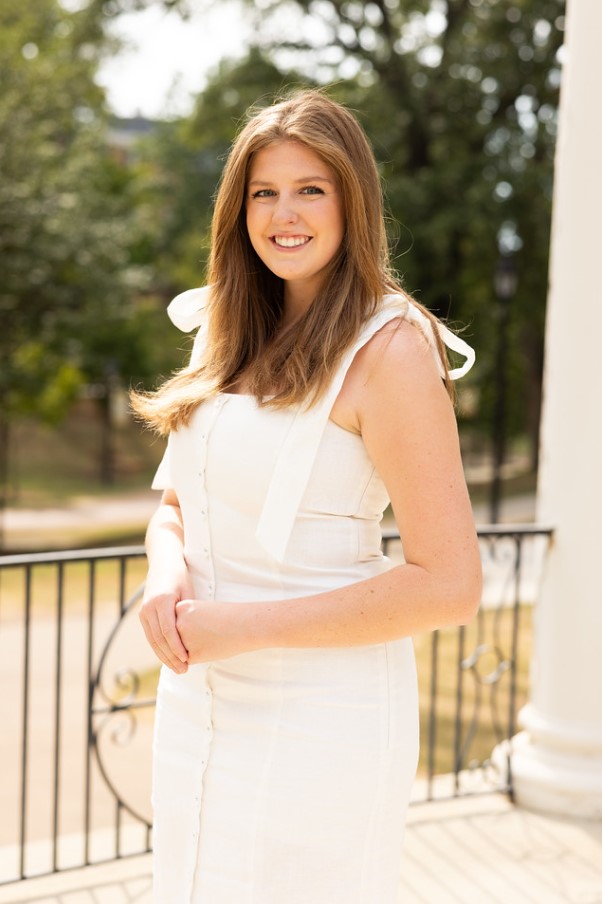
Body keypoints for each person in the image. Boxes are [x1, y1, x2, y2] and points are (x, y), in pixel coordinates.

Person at [131, 88, 482, 904]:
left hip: (321, 722)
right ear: (238, 208)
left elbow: (451, 584)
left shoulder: (391, 349)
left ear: (352, 201)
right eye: (264, 192)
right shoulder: (227, 325)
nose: (283, 214)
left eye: (310, 189)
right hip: (198, 699)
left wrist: (239, 627)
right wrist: (163, 572)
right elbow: (177, 502)